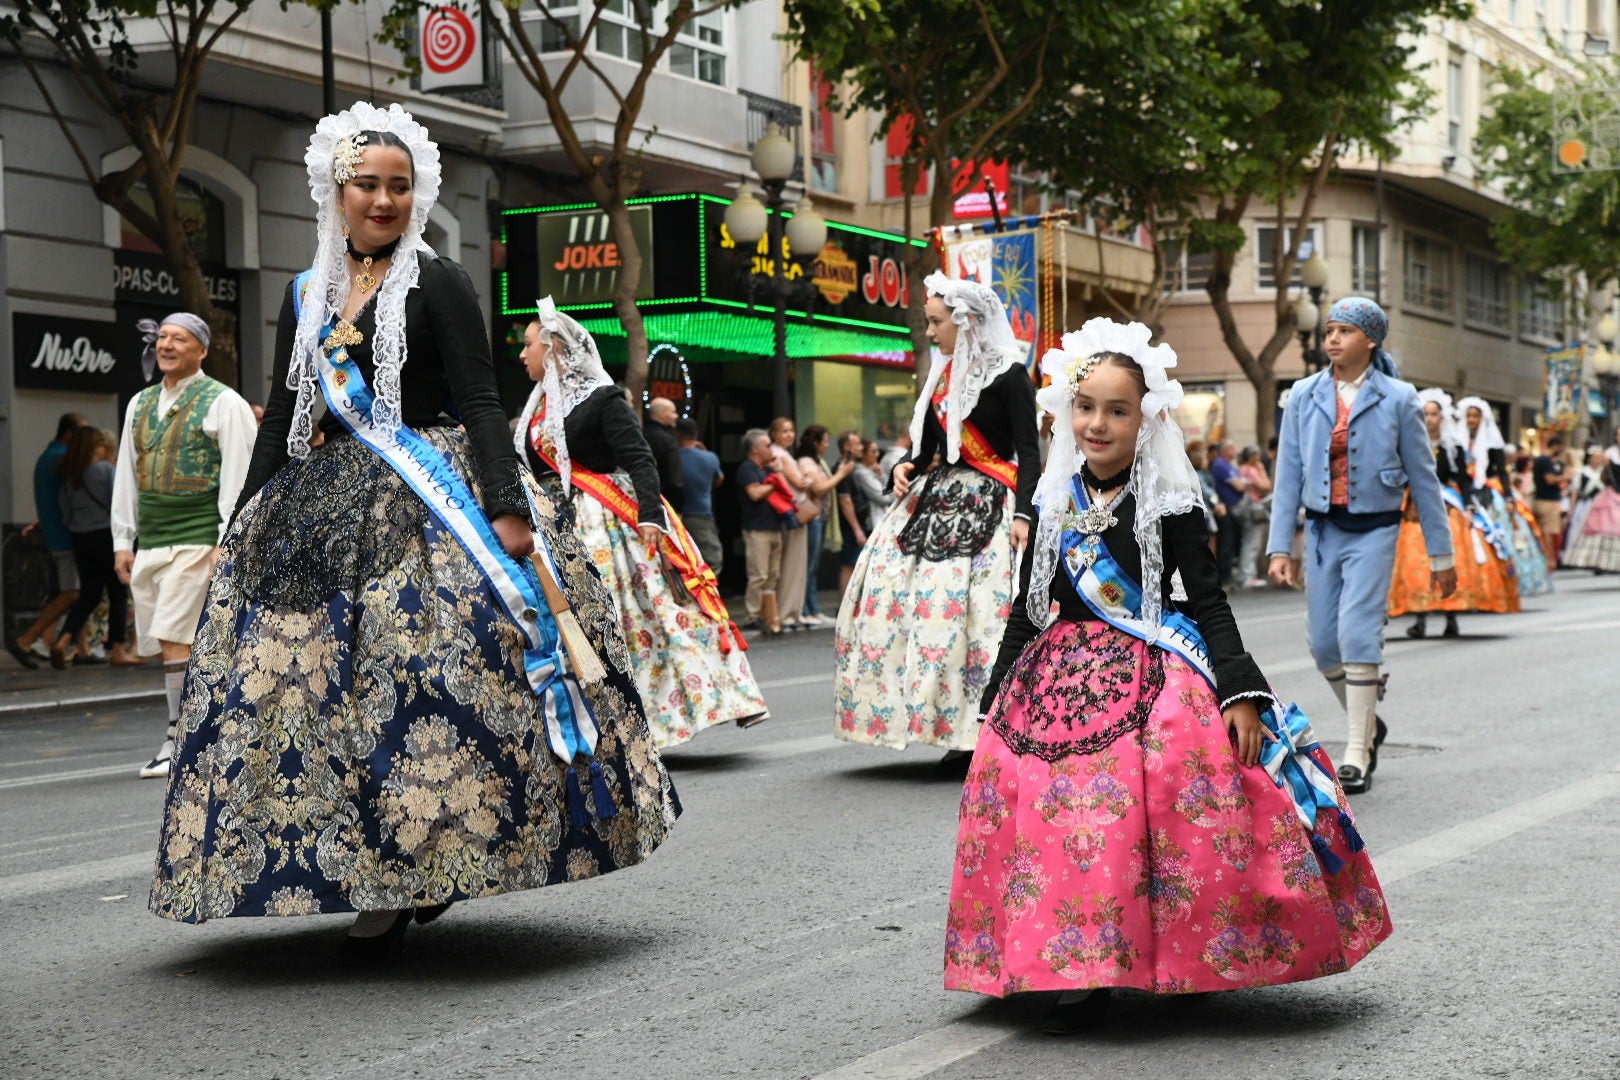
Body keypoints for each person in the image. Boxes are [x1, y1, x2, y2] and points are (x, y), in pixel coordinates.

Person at [148, 103, 678, 956]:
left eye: (400, 186)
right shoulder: (306, 291)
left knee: (441, 669)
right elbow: (290, 408)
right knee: (305, 686)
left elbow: (479, 401)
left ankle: (438, 854)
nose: (384, 200)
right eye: (367, 185)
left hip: (438, 498)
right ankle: (356, 866)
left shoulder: (442, 281)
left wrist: (507, 506)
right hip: (327, 500)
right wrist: (243, 521)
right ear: (337, 190)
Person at [946, 320, 1388, 1034]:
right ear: (1066, 411)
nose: (1098, 423)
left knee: (1182, 774)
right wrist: (995, 698)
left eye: (1117, 410)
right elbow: (1029, 614)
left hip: (1156, 663)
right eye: (1086, 406)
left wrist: (1240, 693)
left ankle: (1191, 951)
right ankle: (1072, 962)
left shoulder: (1171, 501)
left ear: (1145, 417)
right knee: (1040, 794)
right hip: (1059, 672)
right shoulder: (1052, 501)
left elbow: (1208, 601)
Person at [515, 298, 766, 747]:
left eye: (529, 344)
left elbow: (639, 459)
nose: (522, 353)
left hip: (607, 520)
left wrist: (651, 515)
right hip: (557, 521)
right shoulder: (538, 409)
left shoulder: (602, 399)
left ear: (553, 349)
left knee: (641, 616)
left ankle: (659, 715)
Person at [834, 273, 1038, 756]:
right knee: (914, 613)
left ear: (964, 322)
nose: (929, 332)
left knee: (977, 618)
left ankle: (985, 730)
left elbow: (1029, 454)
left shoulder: (1010, 375)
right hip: (932, 502)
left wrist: (1025, 515)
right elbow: (925, 449)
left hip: (991, 503)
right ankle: (940, 726)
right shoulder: (941, 377)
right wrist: (904, 468)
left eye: (935, 322)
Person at [1267, 298, 1455, 796]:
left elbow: (1424, 478)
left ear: (1370, 340)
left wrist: (1442, 555)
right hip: (1324, 529)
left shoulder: (1398, 398)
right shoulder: (1303, 395)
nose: (1332, 339)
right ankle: (1368, 719)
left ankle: (1357, 751)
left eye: (1345, 331)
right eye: (1329, 330)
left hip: (1376, 528)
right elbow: (1287, 475)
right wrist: (1278, 547)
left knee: (1357, 632)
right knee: (1322, 643)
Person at [111, 312, 257, 778]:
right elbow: (126, 474)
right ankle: (212, 727)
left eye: (180, 338)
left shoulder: (224, 403)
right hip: (152, 541)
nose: (167, 345)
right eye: (163, 338)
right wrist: (122, 539)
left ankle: (178, 738)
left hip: (197, 538)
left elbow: (240, 474)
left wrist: (226, 538)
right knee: (170, 641)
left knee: (176, 636)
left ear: (202, 350)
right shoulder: (139, 403)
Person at [1387, 388, 1519, 639]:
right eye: (1425, 414)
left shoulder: (1453, 447)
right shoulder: (1409, 444)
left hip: (1446, 507)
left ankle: (1451, 616)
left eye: (1434, 414)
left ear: (1442, 416)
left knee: (1450, 559)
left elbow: (1463, 480)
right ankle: (1420, 619)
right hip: (1415, 508)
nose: (1430, 419)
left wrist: (1468, 507)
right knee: (1417, 562)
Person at [52, 426, 139, 669]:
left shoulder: (70, 475)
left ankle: (63, 640)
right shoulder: (104, 469)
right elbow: (118, 501)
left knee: (89, 595)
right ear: (95, 446)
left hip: (81, 538)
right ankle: (118, 650)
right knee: (118, 594)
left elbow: (65, 510)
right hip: (106, 536)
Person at [7, 413, 88, 669]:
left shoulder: (48, 457)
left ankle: (65, 643)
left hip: (55, 533)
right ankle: (26, 639)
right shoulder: (62, 460)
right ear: (69, 435)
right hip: (65, 536)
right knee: (70, 593)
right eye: (82, 434)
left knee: (74, 591)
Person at [1457, 397, 1553, 599]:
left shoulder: (1493, 443)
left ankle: (1504, 582)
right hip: (1462, 492)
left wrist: (1509, 497)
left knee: (1499, 536)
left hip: (1490, 492)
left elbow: (1502, 472)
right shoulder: (1457, 441)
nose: (1471, 420)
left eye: (1475, 416)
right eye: (1468, 416)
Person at [794, 425, 856, 627]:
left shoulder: (816, 461)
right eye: (825, 441)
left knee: (813, 566)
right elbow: (819, 489)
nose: (827, 445)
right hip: (812, 518)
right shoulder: (806, 462)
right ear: (815, 443)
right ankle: (806, 609)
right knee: (809, 566)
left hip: (820, 517)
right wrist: (841, 474)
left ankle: (813, 609)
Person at [737, 428, 787, 632]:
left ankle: (769, 615)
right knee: (758, 574)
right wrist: (774, 482)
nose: (771, 449)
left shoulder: (767, 470)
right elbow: (755, 493)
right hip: (757, 529)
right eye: (767, 445)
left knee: (772, 575)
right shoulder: (747, 469)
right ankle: (752, 616)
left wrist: (775, 475)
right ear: (755, 449)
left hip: (774, 527)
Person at [767, 417, 813, 631]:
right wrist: (811, 478)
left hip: (789, 510)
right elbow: (801, 483)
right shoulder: (781, 455)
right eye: (784, 431)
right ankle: (789, 612)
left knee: (792, 563)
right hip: (794, 510)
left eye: (791, 430)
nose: (789, 435)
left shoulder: (778, 454)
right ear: (774, 433)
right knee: (794, 564)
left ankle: (792, 611)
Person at [676, 417, 725, 574]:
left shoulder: (673, 457)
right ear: (695, 434)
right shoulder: (710, 458)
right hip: (701, 514)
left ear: (677, 435)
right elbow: (718, 480)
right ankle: (707, 596)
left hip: (674, 514)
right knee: (712, 559)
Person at [1563, 450, 1620, 573]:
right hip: (1592, 504)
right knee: (1595, 532)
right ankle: (1596, 562)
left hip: (1612, 503)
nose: (1598, 460)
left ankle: (1611, 562)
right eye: (1596, 457)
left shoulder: (1609, 469)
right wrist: (1571, 510)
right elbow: (1575, 491)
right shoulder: (1583, 472)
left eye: (1600, 457)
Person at [834, 432, 870, 595]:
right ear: (847, 447)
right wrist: (856, 529)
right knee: (849, 565)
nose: (861, 447)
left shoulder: (851, 468)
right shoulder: (843, 469)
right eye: (857, 444)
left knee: (854, 565)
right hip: (850, 525)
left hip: (857, 523)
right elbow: (845, 500)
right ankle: (844, 606)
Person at [1208, 440, 1246, 584]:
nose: (1235, 451)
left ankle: (1227, 572)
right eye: (1233, 448)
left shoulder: (1228, 465)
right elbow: (1240, 486)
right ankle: (1225, 575)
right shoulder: (1220, 465)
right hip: (1225, 508)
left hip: (1232, 508)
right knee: (1226, 542)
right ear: (1226, 450)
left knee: (1230, 541)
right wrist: (1244, 484)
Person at [1235, 444, 1272, 587]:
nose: (1259, 458)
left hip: (1253, 507)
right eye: (1256, 455)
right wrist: (1262, 470)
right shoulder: (1249, 470)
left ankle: (1249, 573)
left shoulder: (1246, 469)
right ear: (1251, 457)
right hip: (1252, 509)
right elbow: (1265, 486)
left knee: (1252, 542)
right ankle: (1246, 574)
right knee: (1252, 542)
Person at [643, 396, 686, 510]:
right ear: (662, 415)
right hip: (663, 504)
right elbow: (675, 481)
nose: (676, 416)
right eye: (673, 412)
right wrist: (678, 509)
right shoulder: (668, 440)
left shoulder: (639, 435)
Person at [1531, 434, 1567, 565]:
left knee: (1543, 530)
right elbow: (1550, 479)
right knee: (1549, 531)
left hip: (1541, 499)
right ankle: (1549, 559)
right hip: (1548, 501)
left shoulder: (1540, 459)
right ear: (1556, 446)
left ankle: (1545, 557)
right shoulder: (1546, 460)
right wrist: (1563, 478)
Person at [852, 436, 894, 529]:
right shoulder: (861, 473)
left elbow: (890, 492)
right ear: (863, 454)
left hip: (879, 519)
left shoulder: (872, 470)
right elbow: (884, 499)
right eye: (873, 451)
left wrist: (881, 476)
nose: (877, 454)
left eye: (877, 451)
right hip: (872, 521)